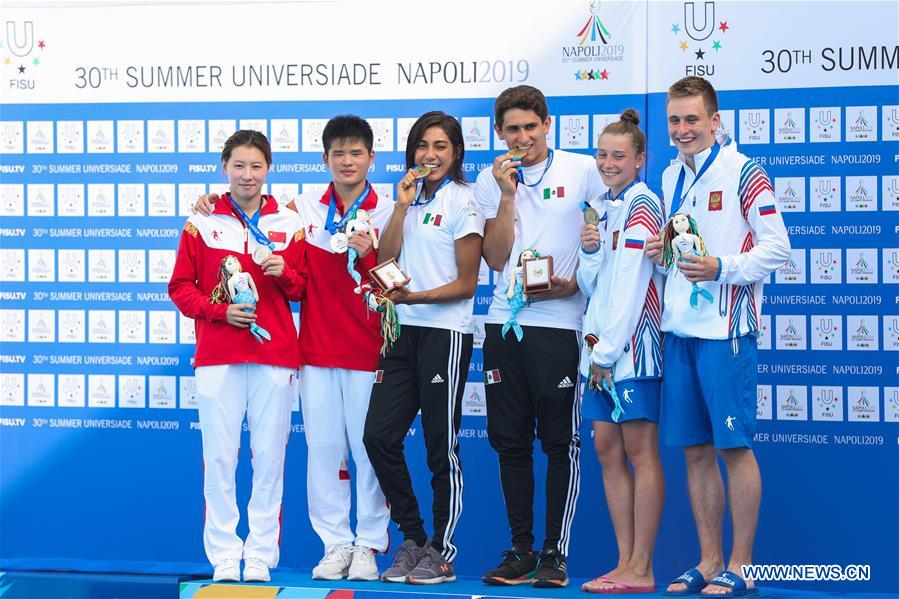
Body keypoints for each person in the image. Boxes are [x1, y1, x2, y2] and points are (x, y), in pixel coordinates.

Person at [192, 116, 392, 582]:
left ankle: (368, 543)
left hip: (367, 348)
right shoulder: (301, 210)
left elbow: (396, 277)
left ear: (371, 158)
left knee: (368, 451)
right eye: (338, 153)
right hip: (315, 350)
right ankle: (335, 543)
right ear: (324, 159)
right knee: (323, 452)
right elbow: (247, 209)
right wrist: (211, 202)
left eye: (356, 153)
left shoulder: (388, 211)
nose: (346, 161)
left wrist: (369, 253)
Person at [644, 76, 790, 597]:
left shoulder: (745, 171)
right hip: (679, 329)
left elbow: (778, 249)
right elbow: (676, 251)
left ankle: (742, 566)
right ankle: (708, 561)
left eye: (692, 119)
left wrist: (722, 267)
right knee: (695, 451)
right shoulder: (669, 176)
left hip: (727, 330)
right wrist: (662, 253)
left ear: (715, 120)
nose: (682, 129)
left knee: (733, 447)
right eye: (674, 120)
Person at [474, 85, 605, 588]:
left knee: (557, 441)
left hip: (560, 324)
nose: (523, 137)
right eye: (512, 129)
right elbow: (495, 258)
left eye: (531, 126)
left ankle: (555, 552)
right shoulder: (491, 180)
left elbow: (604, 238)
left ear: (548, 125)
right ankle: (522, 549)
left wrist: (578, 282)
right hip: (504, 322)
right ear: (499, 132)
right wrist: (507, 195)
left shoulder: (583, 170)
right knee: (509, 442)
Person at [169, 130, 307, 583]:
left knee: (269, 457)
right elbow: (180, 287)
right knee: (220, 457)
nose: (248, 175)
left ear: (269, 169)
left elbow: (302, 289)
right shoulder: (201, 221)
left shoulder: (289, 222)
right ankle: (225, 554)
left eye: (256, 166)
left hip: (275, 353)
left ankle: (261, 553)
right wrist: (219, 312)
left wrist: (285, 273)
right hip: (218, 353)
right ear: (225, 167)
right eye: (239, 166)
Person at [362, 111, 484, 585]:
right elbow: (385, 259)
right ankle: (413, 538)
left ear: (456, 153)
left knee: (439, 445)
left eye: (440, 146)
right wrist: (400, 207)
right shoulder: (408, 199)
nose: (429, 155)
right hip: (400, 332)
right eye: (422, 146)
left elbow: (467, 284)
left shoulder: (464, 201)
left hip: (444, 333)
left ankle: (442, 550)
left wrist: (414, 298)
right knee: (378, 436)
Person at [576, 110, 665, 594]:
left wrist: (607, 352)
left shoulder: (643, 204)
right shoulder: (600, 206)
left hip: (633, 349)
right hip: (600, 351)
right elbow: (593, 285)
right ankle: (624, 560)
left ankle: (642, 566)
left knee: (638, 450)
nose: (608, 163)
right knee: (607, 450)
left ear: (639, 159)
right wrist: (590, 251)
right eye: (602, 155)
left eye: (619, 156)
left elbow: (632, 283)